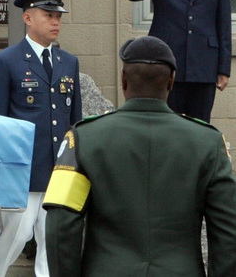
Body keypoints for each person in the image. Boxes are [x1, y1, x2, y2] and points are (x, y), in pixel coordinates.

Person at [43, 36, 236, 276]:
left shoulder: (82, 139)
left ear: (123, 80)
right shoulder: (208, 142)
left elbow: (60, 224)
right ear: (171, 82)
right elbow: (228, 231)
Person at [0, 0, 82, 277]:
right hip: (22, 169)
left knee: (53, 241)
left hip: (59, 171)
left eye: (58, 16)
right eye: (48, 15)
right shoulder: (6, 61)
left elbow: (75, 121)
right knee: (13, 236)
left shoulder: (68, 62)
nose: (56, 21)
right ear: (28, 18)